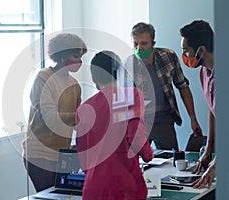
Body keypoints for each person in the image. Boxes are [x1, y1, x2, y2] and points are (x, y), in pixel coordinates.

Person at [76, 51, 153, 199]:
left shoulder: (83, 109)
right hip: (123, 186)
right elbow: (136, 137)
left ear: (93, 77)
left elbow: (83, 154)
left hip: (93, 188)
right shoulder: (131, 96)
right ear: (119, 72)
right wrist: (148, 154)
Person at [22, 33, 87, 192]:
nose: (79, 61)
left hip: (61, 155)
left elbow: (77, 123)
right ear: (62, 55)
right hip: (39, 153)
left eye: (81, 56)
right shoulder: (43, 77)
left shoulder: (74, 85)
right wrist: (82, 116)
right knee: (50, 194)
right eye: (75, 56)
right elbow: (49, 117)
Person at [124, 22, 202, 150]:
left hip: (164, 120)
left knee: (171, 162)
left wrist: (193, 118)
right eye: (135, 44)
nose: (139, 48)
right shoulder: (128, 65)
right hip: (140, 124)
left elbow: (183, 87)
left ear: (153, 44)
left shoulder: (168, 57)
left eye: (144, 43)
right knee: (135, 164)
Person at [180, 20, 216, 189]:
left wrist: (215, 165)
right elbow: (213, 109)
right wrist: (209, 148)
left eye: (186, 51)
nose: (185, 56)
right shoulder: (204, 72)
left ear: (201, 50)